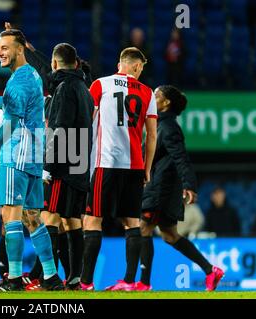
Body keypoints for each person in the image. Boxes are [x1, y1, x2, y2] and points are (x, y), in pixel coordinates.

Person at [0, 29, 64, 291]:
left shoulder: (18, 81)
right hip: (33, 159)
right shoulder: (31, 76)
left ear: (20, 49)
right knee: (33, 218)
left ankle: (14, 278)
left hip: (15, 156)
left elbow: (10, 123)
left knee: (11, 216)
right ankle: (51, 276)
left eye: (5, 47)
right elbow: (9, 105)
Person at [81, 47, 158, 291]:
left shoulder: (100, 84)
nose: (141, 72)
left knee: (92, 221)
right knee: (131, 222)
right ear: (136, 66)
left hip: (106, 162)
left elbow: (86, 120)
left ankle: (86, 283)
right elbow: (152, 136)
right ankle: (128, 281)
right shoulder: (147, 93)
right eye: (141, 68)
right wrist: (147, 168)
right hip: (134, 165)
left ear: (119, 64)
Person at [138, 85, 224, 291]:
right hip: (161, 186)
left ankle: (143, 283)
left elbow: (181, 157)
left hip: (161, 188)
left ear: (166, 103)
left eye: (157, 96)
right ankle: (210, 270)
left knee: (144, 228)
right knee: (169, 235)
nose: (153, 98)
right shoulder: (160, 124)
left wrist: (189, 185)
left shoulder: (168, 127)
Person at [36, 43, 94, 290]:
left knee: (49, 217)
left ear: (55, 63)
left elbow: (58, 129)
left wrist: (48, 166)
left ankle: (49, 278)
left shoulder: (64, 88)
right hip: (80, 163)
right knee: (72, 221)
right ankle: (75, 278)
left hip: (63, 165)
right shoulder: (85, 89)